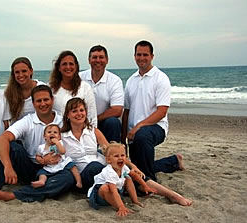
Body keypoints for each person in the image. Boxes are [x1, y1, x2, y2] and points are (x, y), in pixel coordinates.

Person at [0, 85, 74, 206]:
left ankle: (14, 195)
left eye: (46, 100)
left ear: (52, 100)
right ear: (33, 103)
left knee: (68, 178)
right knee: (12, 146)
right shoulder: (28, 121)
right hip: (30, 168)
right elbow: (1, 140)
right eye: (39, 101)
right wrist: (8, 166)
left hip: (54, 170)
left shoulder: (63, 122)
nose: (43, 104)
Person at [63, 98, 192, 207]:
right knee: (96, 167)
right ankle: (122, 190)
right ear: (68, 115)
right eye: (74, 111)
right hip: (86, 175)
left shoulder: (93, 131)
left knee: (131, 172)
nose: (79, 114)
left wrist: (132, 166)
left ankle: (172, 195)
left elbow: (110, 151)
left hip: (108, 170)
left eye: (81, 110)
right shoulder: (62, 136)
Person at [121, 40, 185, 182]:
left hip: (155, 128)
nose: (141, 58)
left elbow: (161, 111)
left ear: (152, 56)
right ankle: (173, 161)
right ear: (134, 56)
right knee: (137, 168)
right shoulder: (131, 80)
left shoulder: (161, 78)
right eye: (139, 54)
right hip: (134, 133)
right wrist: (123, 139)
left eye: (145, 54)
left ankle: (149, 181)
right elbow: (126, 111)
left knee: (142, 137)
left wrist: (139, 127)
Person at [88, 143, 155, 217]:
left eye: (122, 155)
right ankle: (120, 207)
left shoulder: (123, 167)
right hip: (100, 196)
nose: (120, 158)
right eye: (116, 156)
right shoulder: (109, 171)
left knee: (128, 178)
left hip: (116, 191)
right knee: (105, 188)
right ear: (108, 160)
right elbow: (113, 190)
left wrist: (145, 186)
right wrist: (121, 206)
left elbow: (134, 175)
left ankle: (135, 201)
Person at [80, 45, 124, 142]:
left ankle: (113, 153)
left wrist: (94, 119)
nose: (98, 60)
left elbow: (117, 110)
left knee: (113, 122)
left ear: (107, 60)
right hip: (80, 121)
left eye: (101, 57)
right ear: (89, 60)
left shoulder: (114, 80)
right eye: (94, 57)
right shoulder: (79, 77)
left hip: (103, 121)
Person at [49, 50, 98, 127]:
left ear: (76, 67)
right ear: (59, 67)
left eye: (71, 64)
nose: (68, 67)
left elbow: (92, 117)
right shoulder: (50, 88)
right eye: (64, 64)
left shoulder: (85, 88)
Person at [31, 124, 82, 188]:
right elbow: (38, 155)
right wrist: (39, 159)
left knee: (73, 166)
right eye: (49, 132)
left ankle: (79, 181)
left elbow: (63, 151)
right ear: (44, 136)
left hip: (61, 163)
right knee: (41, 172)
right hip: (49, 166)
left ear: (59, 137)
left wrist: (57, 143)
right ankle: (42, 181)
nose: (52, 134)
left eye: (55, 132)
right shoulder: (41, 147)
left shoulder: (60, 143)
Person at [4, 57, 46, 123]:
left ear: (31, 71)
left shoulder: (42, 89)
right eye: (17, 72)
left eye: (24, 71)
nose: (21, 75)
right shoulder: (10, 93)